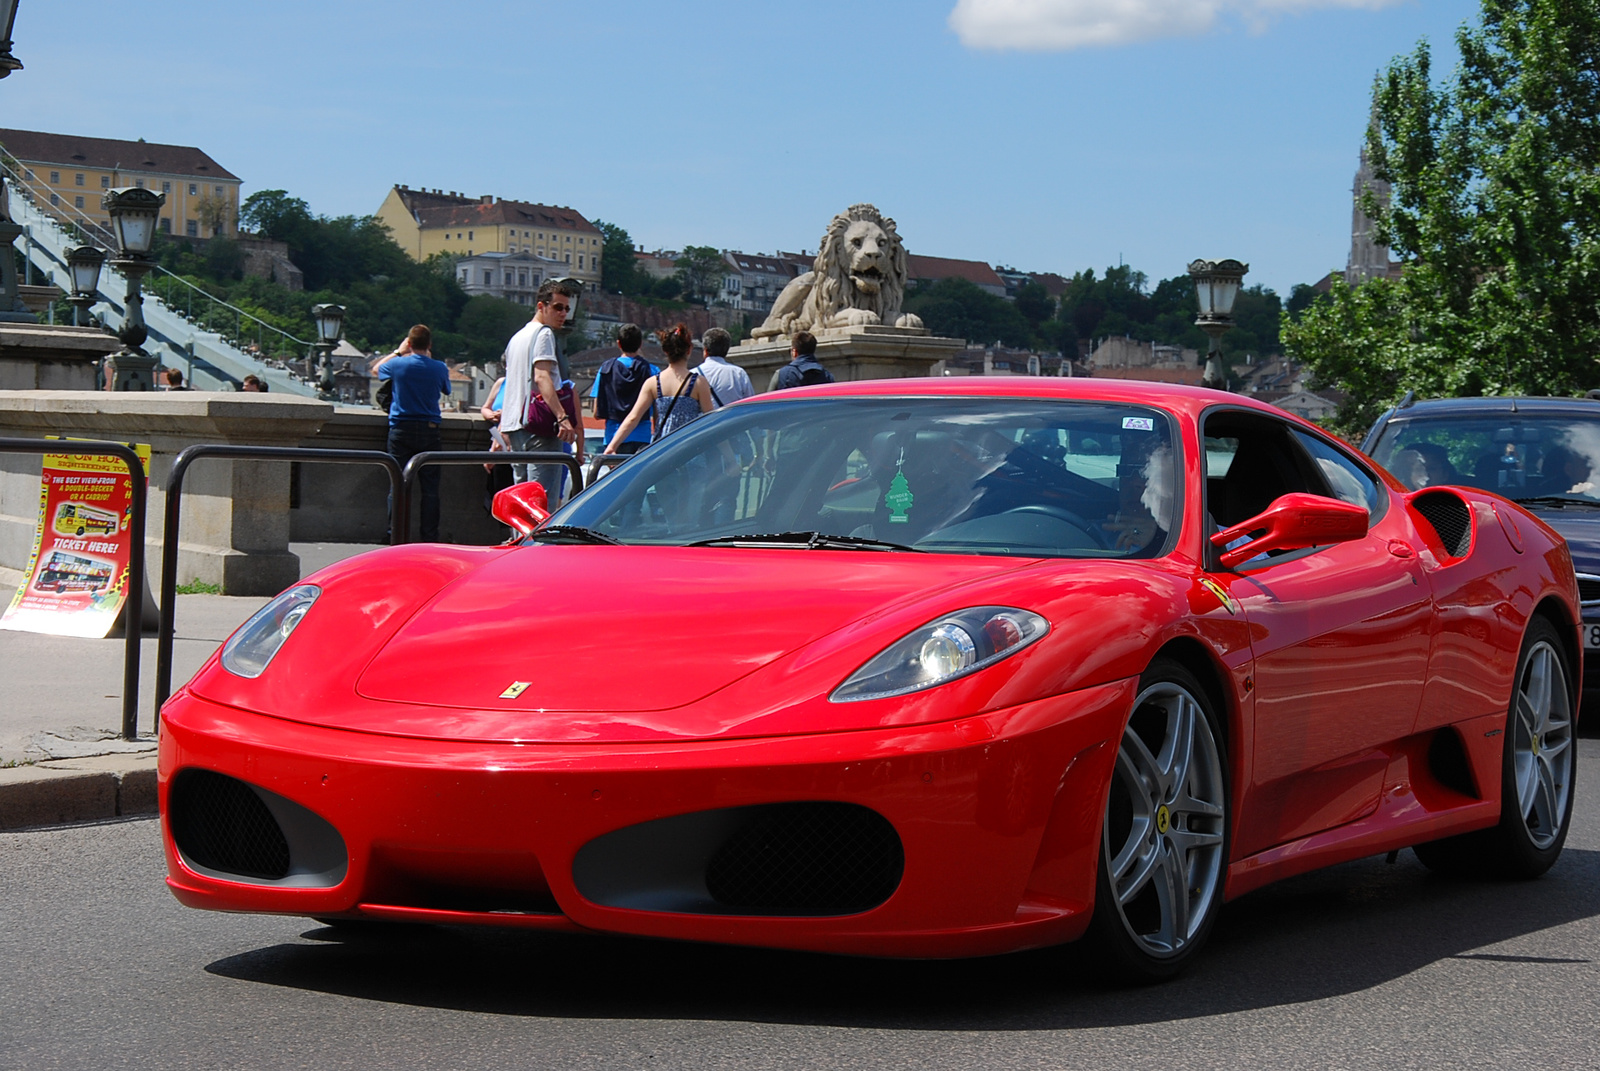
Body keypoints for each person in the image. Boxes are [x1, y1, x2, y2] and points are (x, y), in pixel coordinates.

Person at [500, 281, 580, 500]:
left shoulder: (516, 338)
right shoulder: (544, 335)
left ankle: (522, 536)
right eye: (557, 307)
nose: (563, 313)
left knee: (521, 501)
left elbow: (510, 383)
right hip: (539, 427)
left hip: (515, 427)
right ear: (541, 306)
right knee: (541, 503)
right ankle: (537, 537)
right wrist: (562, 417)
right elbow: (542, 376)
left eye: (566, 308)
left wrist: (503, 425)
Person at [375, 324, 451, 542]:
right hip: (430, 429)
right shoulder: (439, 367)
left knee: (397, 483)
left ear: (409, 343)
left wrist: (398, 352)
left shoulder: (398, 364)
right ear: (429, 344)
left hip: (401, 428)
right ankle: (429, 536)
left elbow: (375, 370)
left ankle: (394, 533)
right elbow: (446, 389)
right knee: (430, 488)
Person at [603, 323, 718, 452]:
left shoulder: (653, 383)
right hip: (690, 450)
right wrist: (728, 457)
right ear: (689, 349)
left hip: (663, 451)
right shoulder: (699, 383)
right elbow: (711, 422)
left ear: (665, 351)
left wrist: (612, 446)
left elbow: (633, 418)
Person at [589, 324, 657, 456]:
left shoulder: (605, 369)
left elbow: (596, 412)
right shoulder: (652, 370)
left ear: (618, 343)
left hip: (613, 438)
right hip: (642, 437)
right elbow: (657, 412)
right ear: (641, 344)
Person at [696, 327, 753, 408]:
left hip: (706, 420)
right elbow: (750, 403)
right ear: (726, 350)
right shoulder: (739, 373)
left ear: (705, 351)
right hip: (733, 420)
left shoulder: (693, 374)